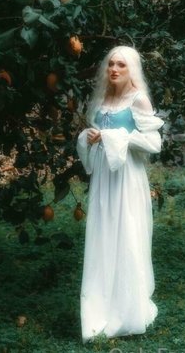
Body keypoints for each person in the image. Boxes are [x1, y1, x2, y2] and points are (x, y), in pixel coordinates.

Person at [76, 45, 164, 343]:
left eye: (121, 65)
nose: (114, 69)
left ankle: (127, 311)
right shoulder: (103, 98)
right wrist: (89, 137)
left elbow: (153, 144)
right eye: (111, 64)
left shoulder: (138, 100)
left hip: (126, 177)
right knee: (102, 235)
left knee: (126, 234)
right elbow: (96, 134)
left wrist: (113, 136)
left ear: (132, 69)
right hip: (104, 176)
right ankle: (100, 307)